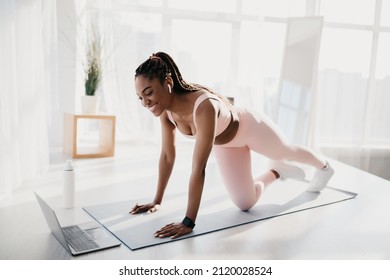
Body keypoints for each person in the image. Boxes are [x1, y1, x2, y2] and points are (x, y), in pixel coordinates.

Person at [130, 51, 334, 239]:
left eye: (149, 93)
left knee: (285, 151)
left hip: (250, 128)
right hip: (227, 145)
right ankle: (277, 172)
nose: (145, 102)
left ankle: (324, 167)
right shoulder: (166, 113)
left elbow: (198, 168)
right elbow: (167, 155)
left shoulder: (203, 106)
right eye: (140, 97)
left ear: (167, 82)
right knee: (245, 203)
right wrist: (157, 200)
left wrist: (188, 222)